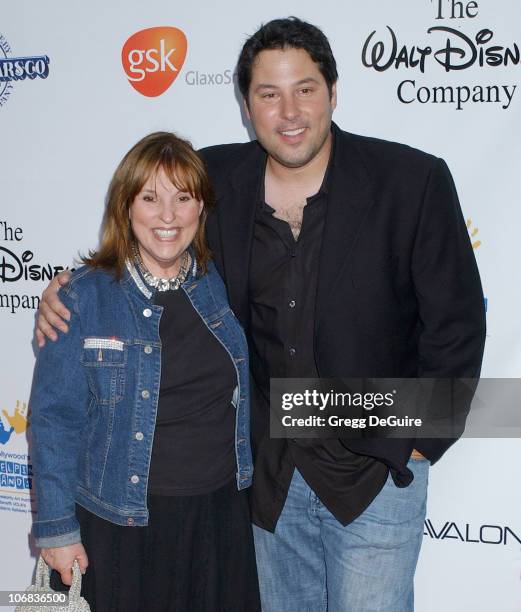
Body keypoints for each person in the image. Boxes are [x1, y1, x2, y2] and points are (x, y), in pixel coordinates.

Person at [36, 17, 486, 612]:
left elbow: (456, 326)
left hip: (375, 475)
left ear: (333, 91)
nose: (289, 111)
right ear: (247, 106)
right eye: (268, 95)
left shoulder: (412, 180)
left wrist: (419, 440)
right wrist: (67, 288)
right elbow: (148, 225)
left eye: (305, 89)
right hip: (266, 483)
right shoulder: (216, 179)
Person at [30, 132, 260, 611]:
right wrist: (56, 529)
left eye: (183, 197)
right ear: (126, 206)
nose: (168, 216)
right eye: (150, 198)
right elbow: (55, 420)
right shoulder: (83, 298)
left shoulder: (224, 283)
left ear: (202, 208)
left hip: (217, 518)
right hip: (119, 525)